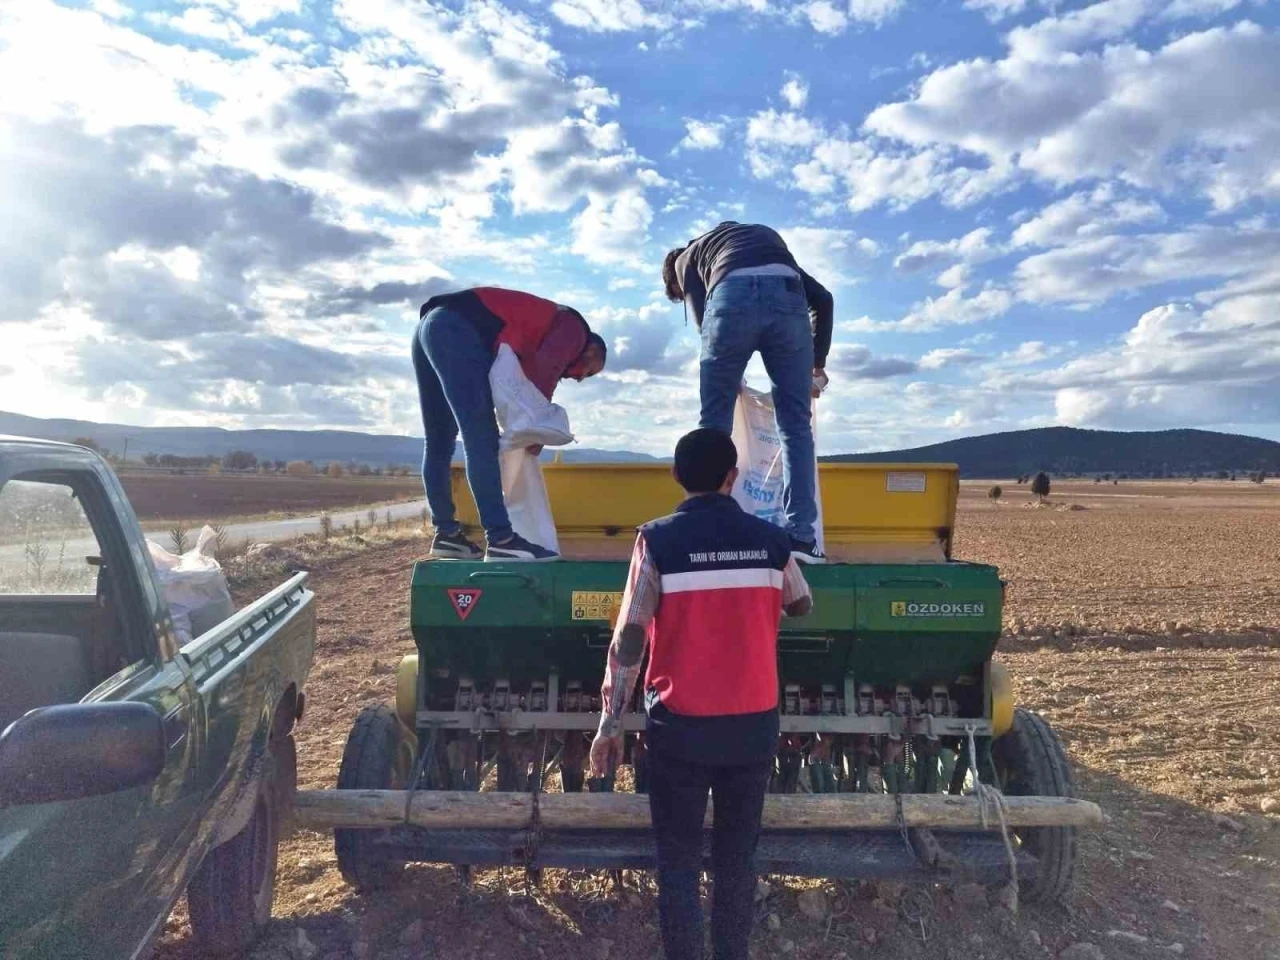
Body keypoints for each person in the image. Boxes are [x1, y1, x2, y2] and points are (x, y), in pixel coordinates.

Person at [589, 428, 813, 960]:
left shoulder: (658, 541)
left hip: (681, 731)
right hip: (753, 728)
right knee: (737, 863)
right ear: (732, 477)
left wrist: (610, 724)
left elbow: (629, 640)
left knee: (678, 864)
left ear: (676, 476)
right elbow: (801, 604)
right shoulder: (772, 541)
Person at [662, 221, 834, 564]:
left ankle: (707, 530)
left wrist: (731, 377)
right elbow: (824, 299)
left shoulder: (686, 259)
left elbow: (705, 325)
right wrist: (816, 364)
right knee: (795, 427)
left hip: (730, 299)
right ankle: (802, 539)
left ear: (673, 279)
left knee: (713, 425)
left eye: (679, 295)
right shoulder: (759, 247)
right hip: (788, 297)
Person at [412, 287, 607, 562]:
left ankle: (446, 534)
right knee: (481, 439)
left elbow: (514, 388)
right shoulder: (575, 331)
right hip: (457, 330)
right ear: (592, 351)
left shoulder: (537, 334)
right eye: (589, 372)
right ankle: (501, 540)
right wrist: (536, 430)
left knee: (438, 441)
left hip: (429, 327)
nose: (579, 378)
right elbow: (544, 372)